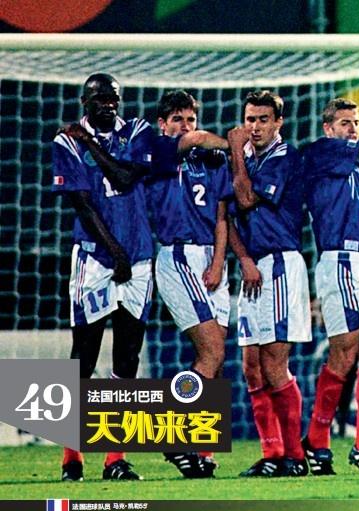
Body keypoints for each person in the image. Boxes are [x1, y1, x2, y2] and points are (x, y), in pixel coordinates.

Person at [52, 73, 154, 481]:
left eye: (113, 98)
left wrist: (91, 144)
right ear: (84, 102)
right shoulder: (65, 143)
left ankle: (115, 458)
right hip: (94, 260)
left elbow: (126, 177)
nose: (108, 104)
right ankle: (71, 456)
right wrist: (114, 251)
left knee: (128, 358)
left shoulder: (138, 131)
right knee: (84, 356)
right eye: (99, 99)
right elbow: (81, 203)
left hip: (139, 260)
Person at [302, 97, 359, 475]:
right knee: (344, 353)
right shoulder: (321, 153)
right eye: (344, 123)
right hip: (336, 260)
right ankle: (317, 439)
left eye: (355, 122)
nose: (352, 128)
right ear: (328, 129)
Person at [228, 90, 311, 477]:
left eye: (263, 119)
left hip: (279, 264)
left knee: (275, 363)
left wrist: (234, 150)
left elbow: (245, 200)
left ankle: (295, 456)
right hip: (252, 267)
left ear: (279, 122)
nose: (255, 127)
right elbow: (226, 217)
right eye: (250, 119)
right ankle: (272, 453)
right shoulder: (245, 159)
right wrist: (244, 260)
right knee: (251, 366)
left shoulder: (284, 157)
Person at [149, 90, 231, 478]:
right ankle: (173, 432)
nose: (186, 126)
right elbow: (196, 140)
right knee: (212, 350)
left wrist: (217, 263)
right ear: (163, 123)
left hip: (212, 261)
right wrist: (232, 142)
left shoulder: (210, 162)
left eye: (191, 119)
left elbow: (222, 216)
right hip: (179, 255)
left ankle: (201, 450)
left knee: (213, 359)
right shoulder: (156, 150)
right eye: (178, 119)